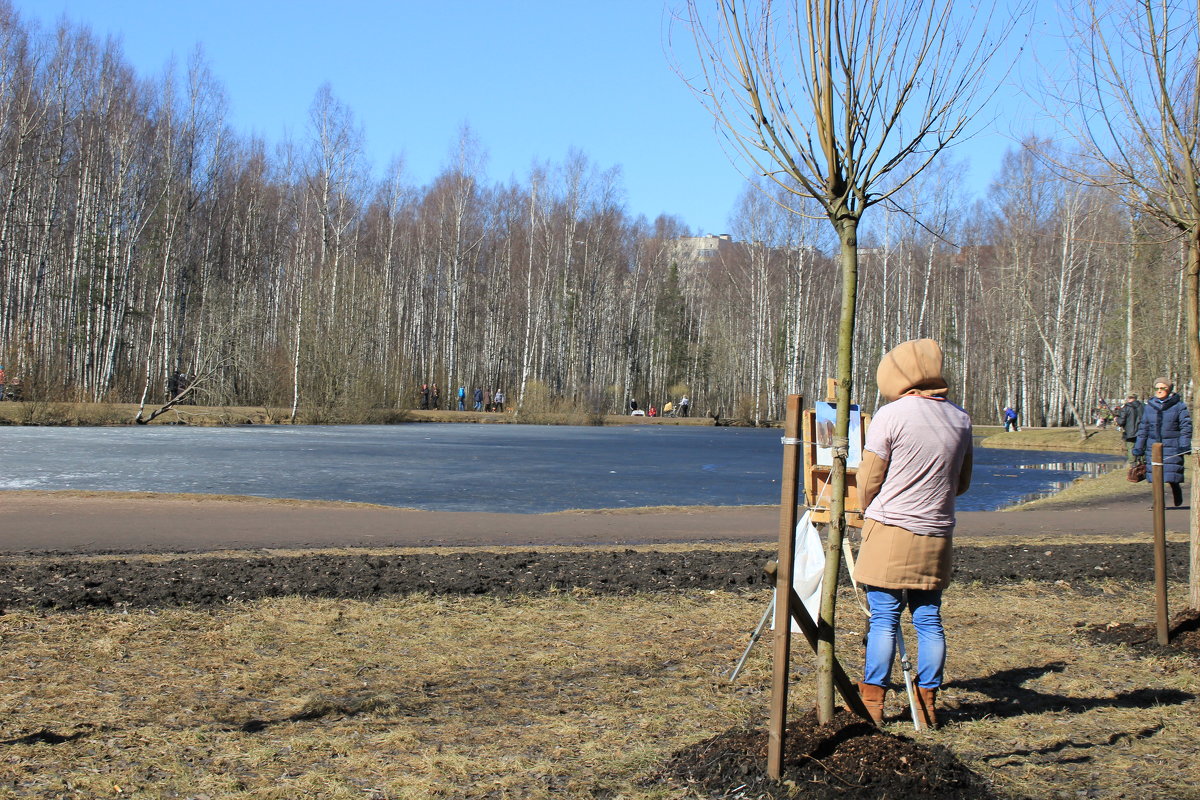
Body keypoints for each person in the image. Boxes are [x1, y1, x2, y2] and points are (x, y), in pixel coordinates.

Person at [853, 339, 973, 729]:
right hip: (937, 532)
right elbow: (963, 483)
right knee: (929, 618)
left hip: (890, 530)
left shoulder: (891, 415)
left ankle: (873, 702)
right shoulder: (960, 418)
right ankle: (926, 703)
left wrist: (861, 506)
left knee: (885, 617)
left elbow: (868, 479)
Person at [1133, 378, 1192, 507]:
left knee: (1171, 473)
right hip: (1153, 446)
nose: (1159, 391)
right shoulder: (1149, 407)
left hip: (1172, 445)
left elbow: (1185, 427)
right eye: (1157, 388)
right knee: (1155, 476)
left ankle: (1176, 489)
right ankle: (1158, 504)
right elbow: (1143, 428)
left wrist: (1184, 445)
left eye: (1162, 388)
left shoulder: (1179, 406)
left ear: (1169, 389)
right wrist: (1138, 447)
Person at [1115, 393, 1144, 464]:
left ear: (1128, 398)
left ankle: (1133, 465)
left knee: (1131, 448)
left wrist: (1116, 419)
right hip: (1142, 432)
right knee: (1142, 447)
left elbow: (1121, 421)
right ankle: (1142, 465)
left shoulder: (1125, 408)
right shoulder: (1143, 406)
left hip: (1130, 433)